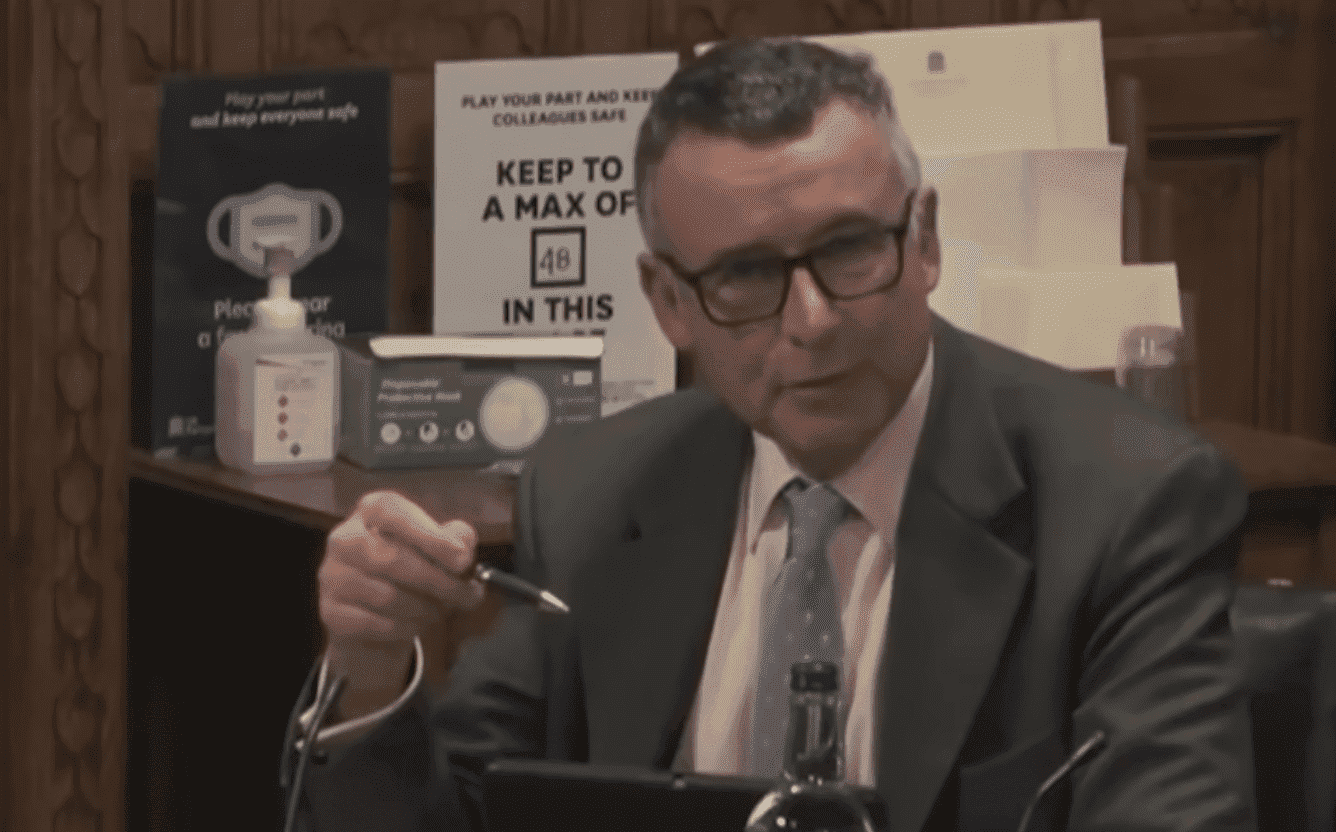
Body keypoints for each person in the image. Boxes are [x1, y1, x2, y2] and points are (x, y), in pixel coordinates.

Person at [287, 38, 1257, 832]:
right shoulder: (593, 492)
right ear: (669, 301)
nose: (813, 321)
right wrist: (370, 670)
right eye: (746, 276)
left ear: (924, 240)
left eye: (850, 249)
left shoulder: (1126, 503)